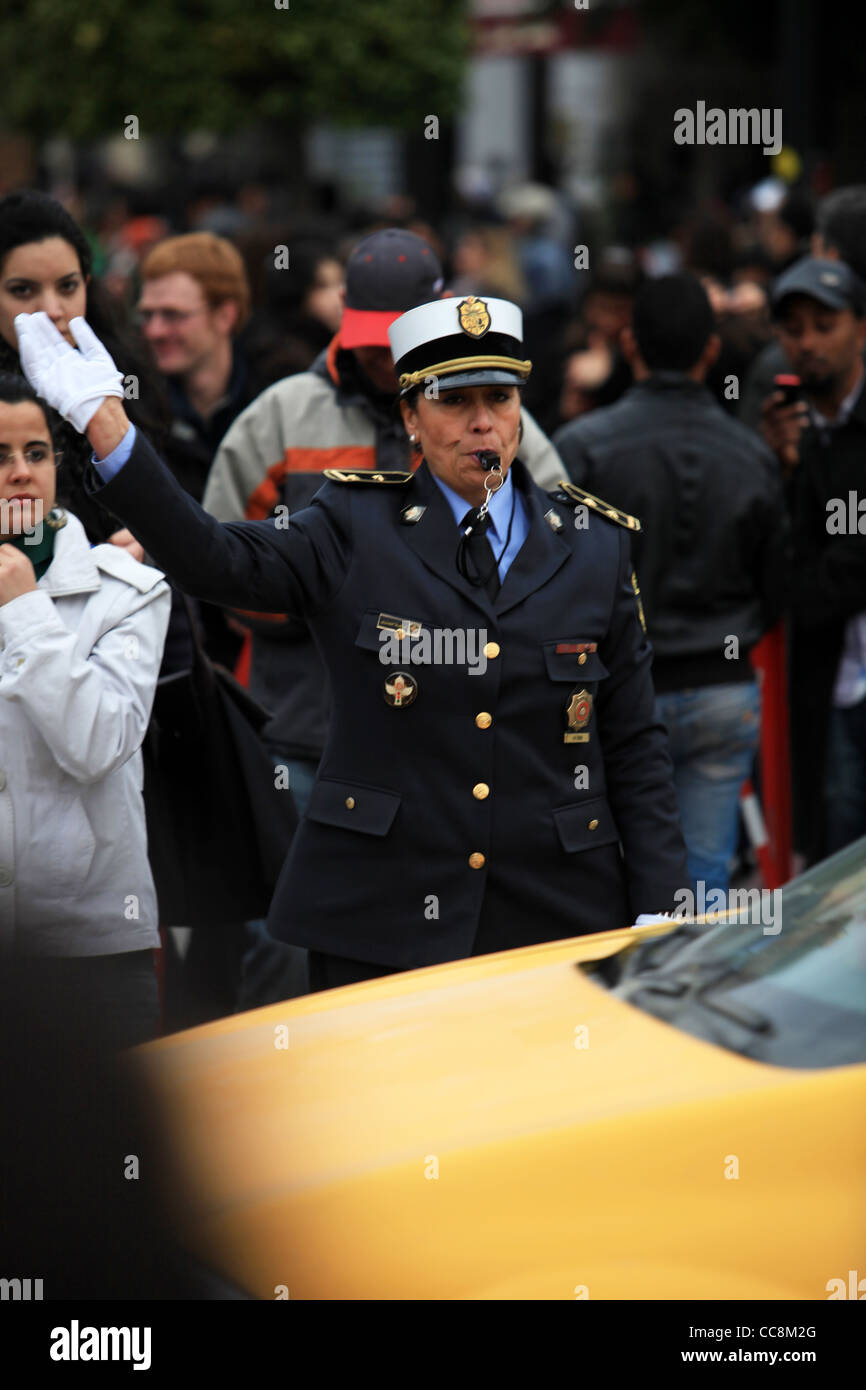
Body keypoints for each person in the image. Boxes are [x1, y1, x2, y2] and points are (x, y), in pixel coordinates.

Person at [18, 294, 689, 994]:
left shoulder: (592, 546)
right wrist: (107, 423)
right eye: (453, 401)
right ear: (410, 419)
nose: (482, 421)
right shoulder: (354, 527)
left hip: (556, 915)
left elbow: (635, 742)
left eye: (499, 396)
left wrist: (661, 907)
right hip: (384, 916)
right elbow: (214, 558)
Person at [554, 275, 787, 895]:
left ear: (630, 344)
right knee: (705, 878)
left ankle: (627, 988)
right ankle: (688, 981)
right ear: (711, 351)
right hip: (721, 685)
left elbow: (553, 577)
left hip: (617, 690)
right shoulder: (750, 453)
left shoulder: (583, 449)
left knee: (610, 867)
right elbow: (776, 582)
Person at [0, 370, 170, 1047]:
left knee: (99, 1153)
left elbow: (99, 741)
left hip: (89, 949)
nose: (20, 474)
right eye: (0, 456)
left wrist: (23, 610)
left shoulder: (125, 591)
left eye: (36, 454)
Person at [759, 256, 866, 862]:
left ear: (861, 327)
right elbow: (774, 557)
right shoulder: (786, 435)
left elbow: (847, 567)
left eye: (824, 324)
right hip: (828, 688)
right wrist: (787, 467)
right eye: (793, 329)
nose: (808, 343)